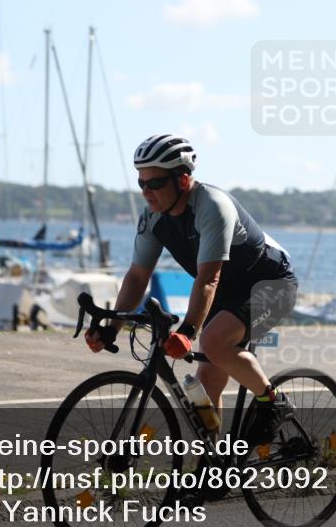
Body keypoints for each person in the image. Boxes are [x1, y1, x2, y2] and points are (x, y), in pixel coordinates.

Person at [84, 134, 298, 445]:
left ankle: (272, 401)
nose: (146, 192)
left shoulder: (212, 206)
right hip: (226, 292)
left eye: (155, 184)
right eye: (141, 183)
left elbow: (208, 278)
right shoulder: (153, 216)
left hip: (270, 283)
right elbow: (136, 276)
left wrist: (188, 331)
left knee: (213, 341)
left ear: (183, 180)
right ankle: (209, 473)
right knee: (205, 389)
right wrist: (112, 327)